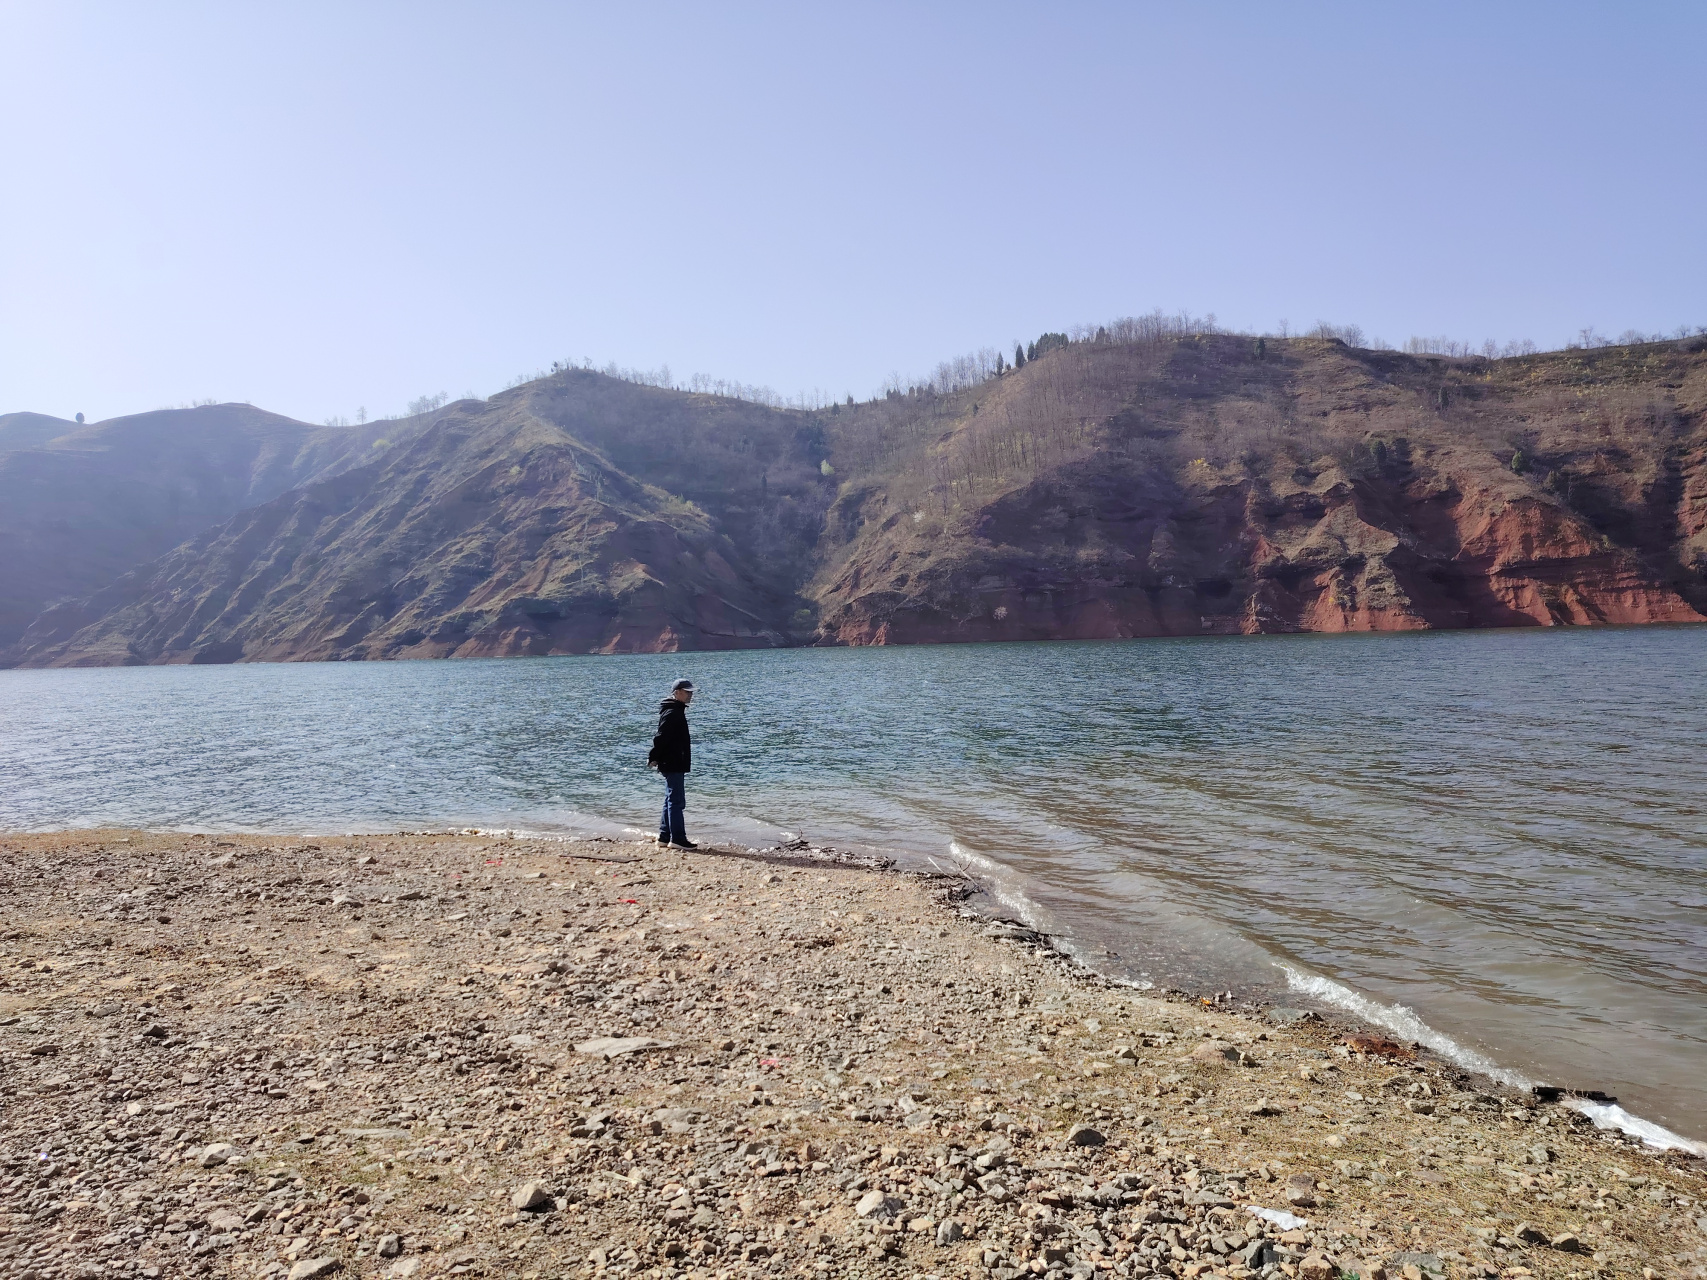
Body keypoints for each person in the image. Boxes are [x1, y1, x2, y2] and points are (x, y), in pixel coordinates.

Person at [648, 678, 698, 849]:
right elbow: (660, 736)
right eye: (687, 691)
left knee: (670, 799)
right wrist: (654, 756)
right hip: (673, 761)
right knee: (676, 801)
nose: (690, 694)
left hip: (673, 760)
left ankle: (664, 837)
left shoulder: (675, 710)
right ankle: (677, 839)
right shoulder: (672, 712)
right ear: (677, 692)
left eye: (691, 691)